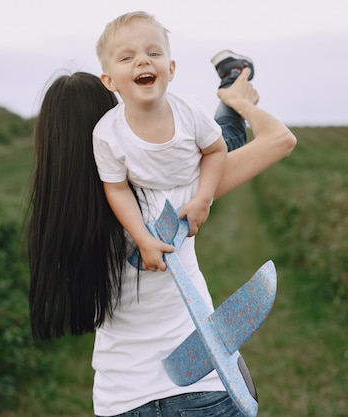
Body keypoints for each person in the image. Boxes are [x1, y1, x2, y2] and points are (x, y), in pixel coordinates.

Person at [28, 28, 296, 417]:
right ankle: (233, 81)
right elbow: (279, 140)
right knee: (225, 140)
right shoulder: (164, 195)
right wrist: (239, 101)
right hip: (202, 385)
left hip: (120, 400)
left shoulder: (53, 224)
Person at [93, 11, 227, 274]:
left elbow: (216, 150)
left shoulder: (189, 110)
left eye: (153, 53)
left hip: (203, 152)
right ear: (109, 81)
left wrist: (204, 197)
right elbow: (117, 189)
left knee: (232, 128)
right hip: (178, 169)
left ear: (171, 69)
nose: (143, 61)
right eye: (127, 57)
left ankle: (233, 79)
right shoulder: (107, 135)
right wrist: (143, 239)